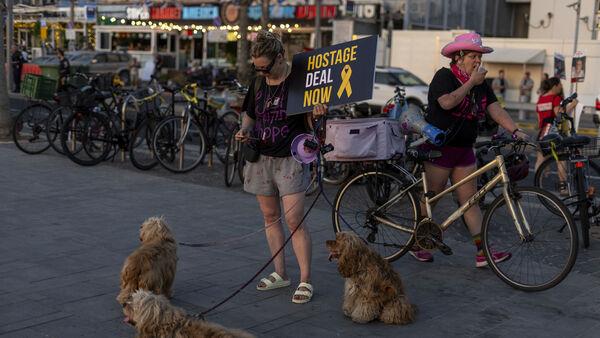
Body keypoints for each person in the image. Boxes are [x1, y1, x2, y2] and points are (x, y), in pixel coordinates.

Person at [409, 32, 528, 267]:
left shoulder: (482, 83)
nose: (477, 61)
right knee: (431, 198)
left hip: (464, 149)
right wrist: (470, 83)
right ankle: (417, 242)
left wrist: (516, 130)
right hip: (439, 148)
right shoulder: (444, 76)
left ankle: (483, 251)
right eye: (473, 56)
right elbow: (446, 102)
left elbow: (496, 109)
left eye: (479, 56)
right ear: (459, 57)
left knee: (470, 201)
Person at [235, 30, 324, 304]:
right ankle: (280, 273)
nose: (262, 72)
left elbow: (311, 125)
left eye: (266, 67)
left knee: (294, 219)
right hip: (261, 156)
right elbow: (250, 113)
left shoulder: (299, 81)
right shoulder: (259, 83)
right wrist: (243, 130)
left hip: (291, 157)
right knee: (269, 217)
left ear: (280, 57)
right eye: (257, 68)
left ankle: (305, 279)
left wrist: (318, 111)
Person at [534, 77, 577, 195]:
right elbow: (559, 115)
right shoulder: (555, 98)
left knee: (540, 160)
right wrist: (573, 105)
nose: (561, 87)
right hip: (555, 133)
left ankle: (537, 186)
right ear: (555, 86)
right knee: (561, 160)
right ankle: (563, 188)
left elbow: (539, 118)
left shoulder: (541, 99)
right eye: (560, 85)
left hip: (543, 132)